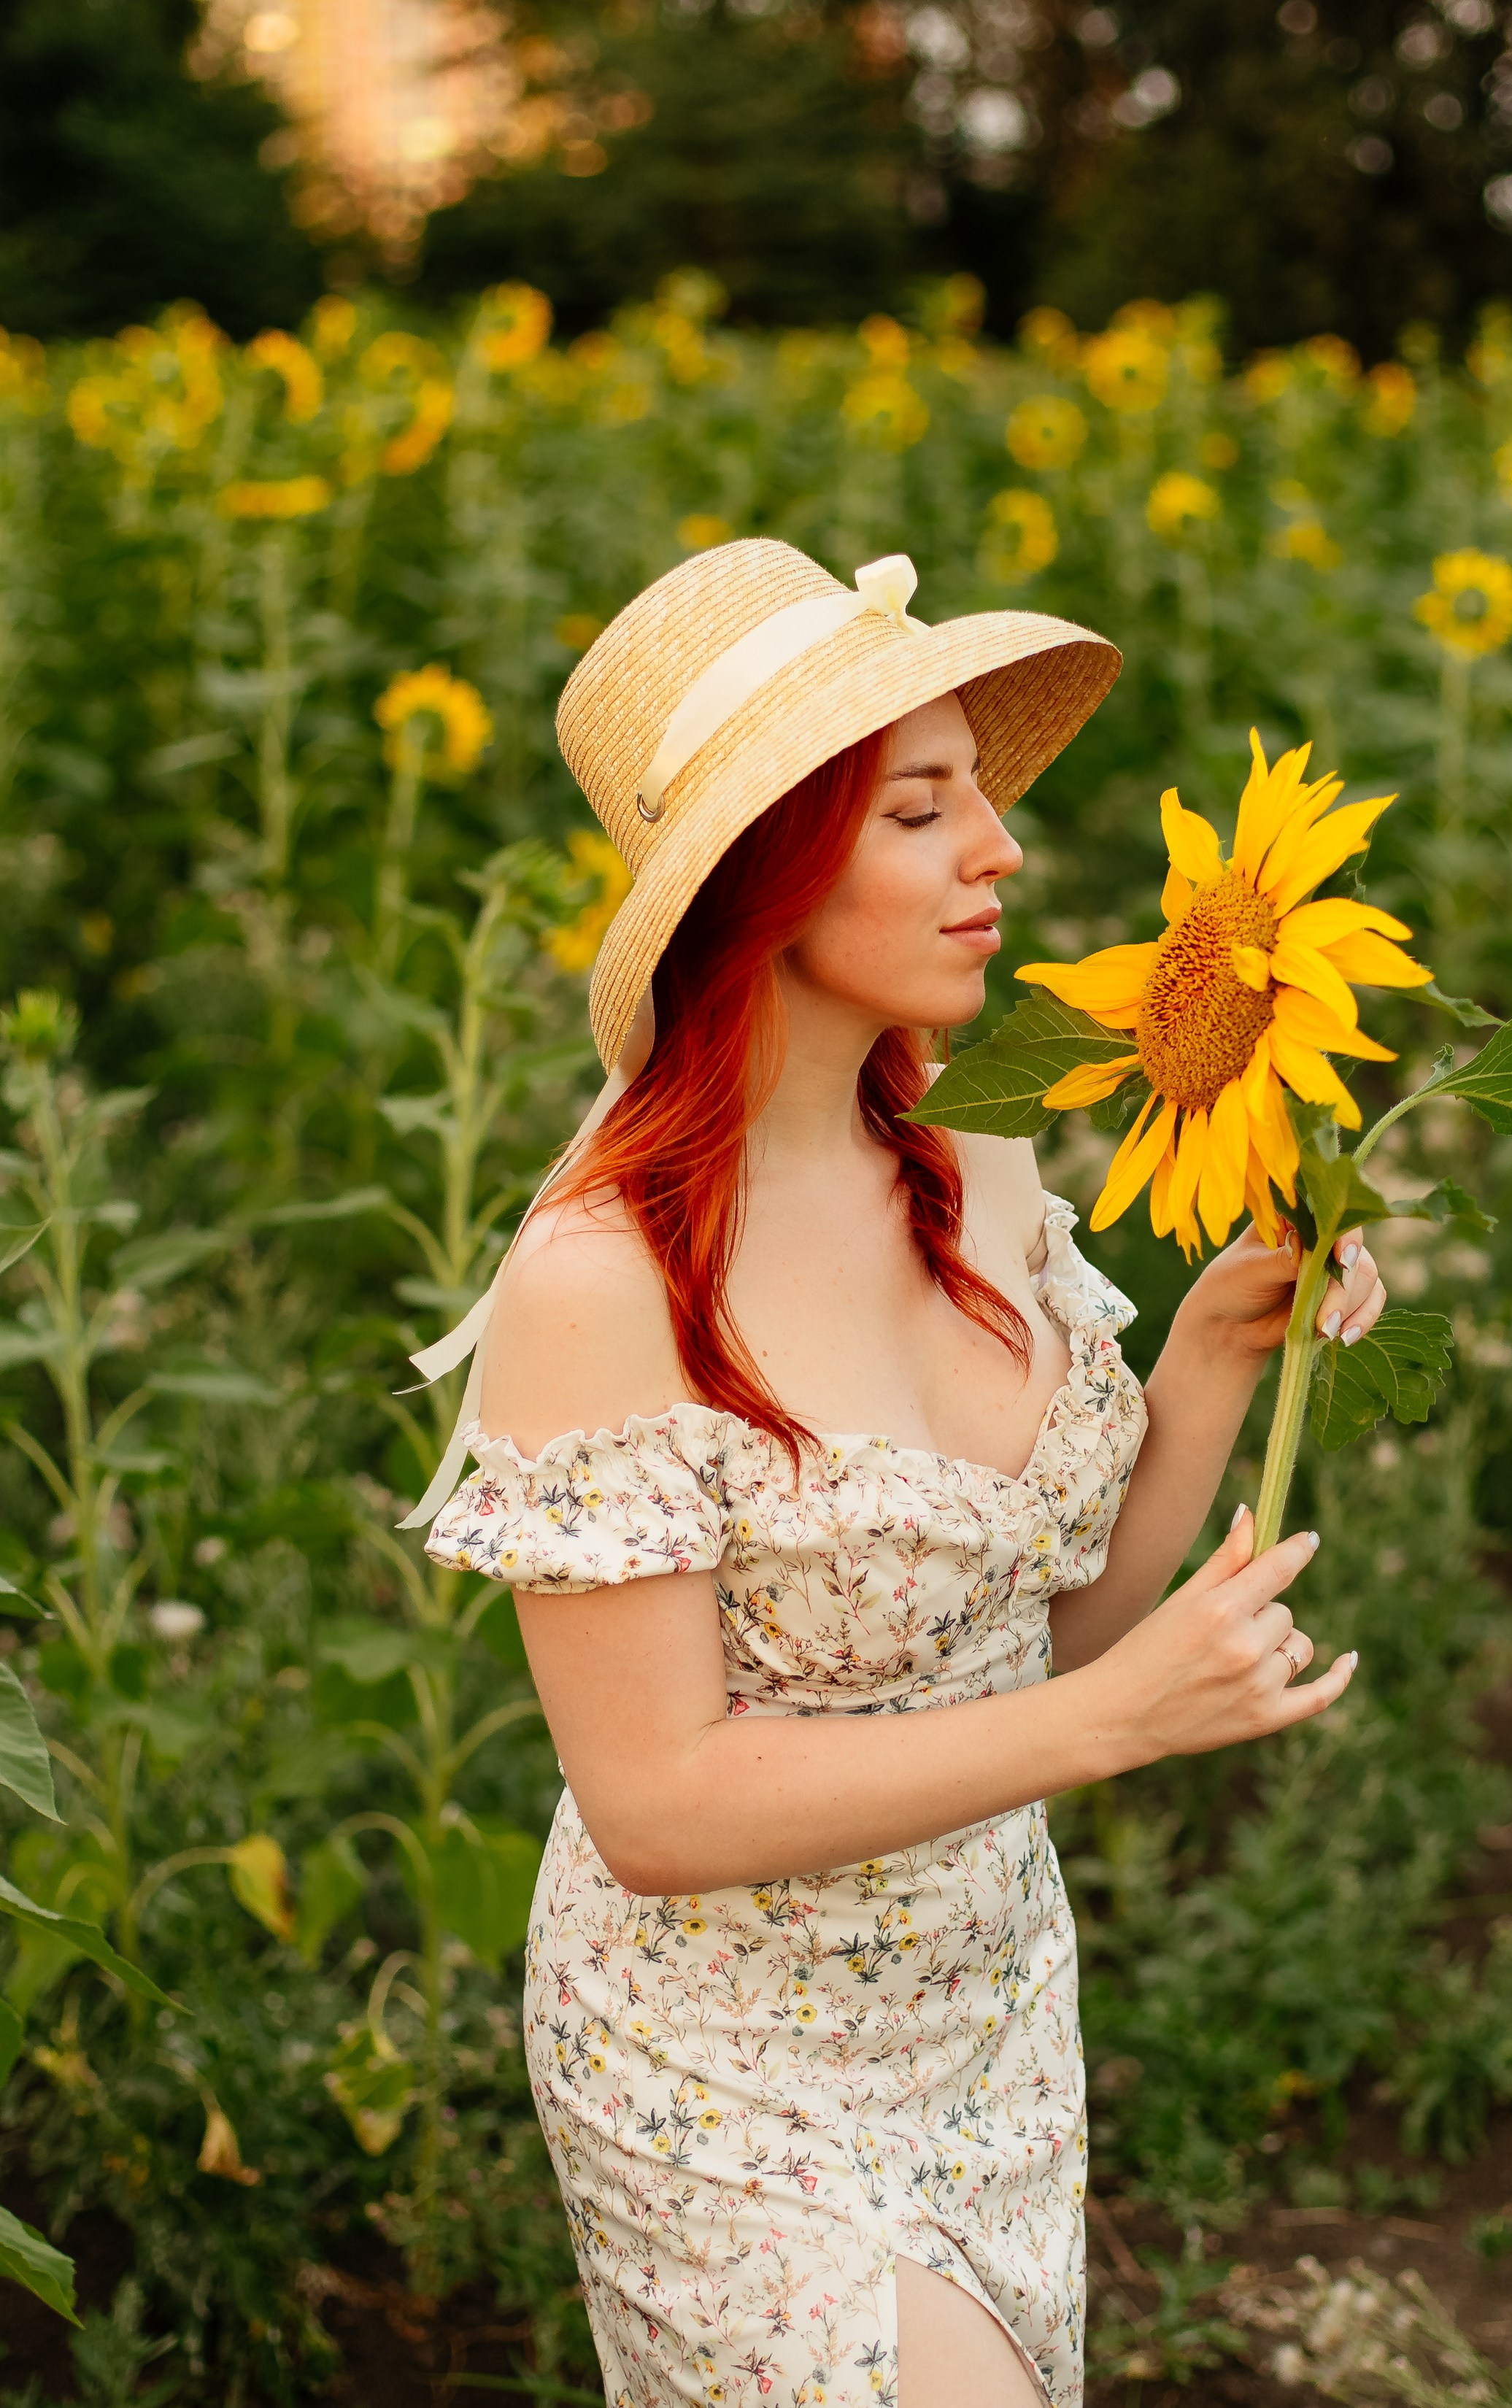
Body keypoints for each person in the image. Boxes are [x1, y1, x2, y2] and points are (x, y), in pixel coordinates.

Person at [419, 539, 1380, 2408]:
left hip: (991, 2013)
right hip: (715, 2073)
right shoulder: (601, 1285)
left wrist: (1200, 1360)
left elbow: (1034, 1614)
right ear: (770, 869)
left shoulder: (981, 1162)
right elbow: (660, 1805)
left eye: (980, 800)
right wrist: (1107, 1723)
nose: (998, 853)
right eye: (919, 809)